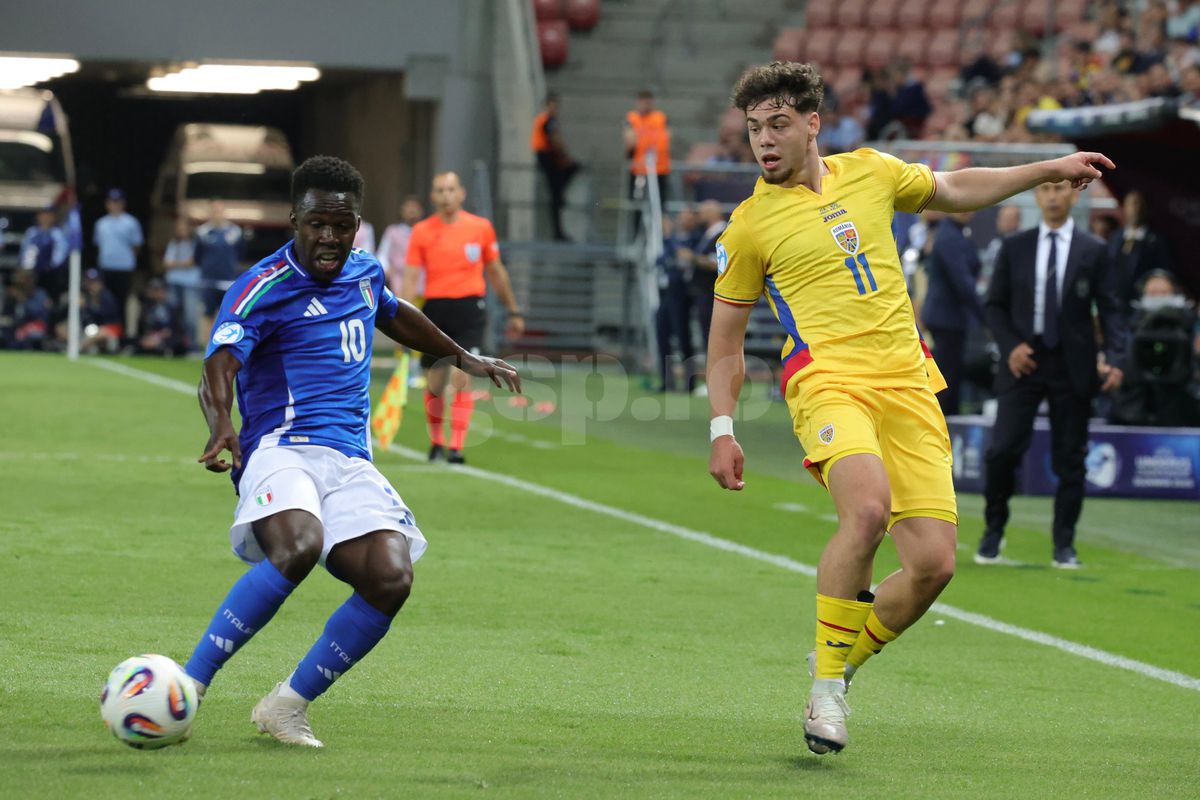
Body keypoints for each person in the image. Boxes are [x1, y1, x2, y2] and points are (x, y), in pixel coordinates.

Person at [705, 61, 1114, 756]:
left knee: (933, 564)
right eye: (753, 130)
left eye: (777, 125)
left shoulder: (871, 169)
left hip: (908, 381)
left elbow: (954, 189)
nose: (764, 142)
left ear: (812, 125)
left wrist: (1046, 169)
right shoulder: (748, 226)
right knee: (865, 511)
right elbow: (725, 341)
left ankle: (836, 667)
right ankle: (828, 694)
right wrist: (722, 428)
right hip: (828, 382)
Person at [184, 156, 520, 749]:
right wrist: (220, 425)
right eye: (318, 224)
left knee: (391, 577)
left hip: (348, 460)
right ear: (295, 220)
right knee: (299, 545)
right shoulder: (264, 285)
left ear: (357, 225)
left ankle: (285, 706)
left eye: (342, 226)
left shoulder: (365, 274)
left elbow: (396, 314)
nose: (330, 238)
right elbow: (221, 361)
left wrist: (463, 356)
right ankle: (188, 687)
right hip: (280, 449)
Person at [978, 180, 1126, 569]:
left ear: (1074, 196)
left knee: (1071, 458)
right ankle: (993, 531)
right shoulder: (1015, 247)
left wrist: (1115, 357)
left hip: (1072, 364)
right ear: (1036, 197)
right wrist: (1011, 346)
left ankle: (1065, 544)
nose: (1055, 196)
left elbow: (1111, 309)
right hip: (1022, 362)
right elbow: (993, 306)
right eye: (1046, 190)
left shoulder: (1093, 249)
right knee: (1002, 450)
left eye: (1061, 189)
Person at [403, 172, 525, 464]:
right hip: (435, 309)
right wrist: (403, 318)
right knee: (434, 382)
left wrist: (513, 310)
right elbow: (410, 277)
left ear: (462, 193)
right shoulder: (421, 231)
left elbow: (496, 271)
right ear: (433, 196)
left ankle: (456, 447)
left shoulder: (480, 228)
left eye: (451, 189)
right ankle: (436, 443)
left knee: (461, 376)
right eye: (440, 190)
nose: (446, 195)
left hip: (470, 309)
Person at [920, 212, 985, 416]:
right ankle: (942, 425)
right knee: (946, 381)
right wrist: (987, 317)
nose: (967, 210)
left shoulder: (957, 232)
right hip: (945, 318)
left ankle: (947, 423)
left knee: (951, 377)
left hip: (952, 318)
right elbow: (962, 282)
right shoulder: (948, 235)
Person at [1108, 190, 1173, 309]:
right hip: (1116, 304)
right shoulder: (1116, 238)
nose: (1134, 209)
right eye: (1130, 204)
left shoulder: (1155, 241)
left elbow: (1163, 273)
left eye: (1138, 203)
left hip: (1144, 306)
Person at [531, 93, 580, 241]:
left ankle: (560, 195)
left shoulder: (544, 119)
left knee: (556, 192)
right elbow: (555, 140)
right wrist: (565, 157)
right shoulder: (549, 120)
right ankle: (560, 196)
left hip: (546, 156)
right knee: (559, 187)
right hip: (548, 157)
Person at [93, 188, 143, 328]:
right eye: (112, 202)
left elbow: (137, 246)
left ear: (123, 203)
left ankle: (121, 335)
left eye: (117, 202)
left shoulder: (131, 222)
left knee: (122, 302)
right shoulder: (101, 223)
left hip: (124, 268)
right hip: (106, 266)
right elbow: (99, 245)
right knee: (105, 300)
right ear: (107, 204)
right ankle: (106, 331)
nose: (114, 205)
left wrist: (126, 259)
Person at [194, 201, 244, 343]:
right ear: (210, 213)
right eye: (214, 211)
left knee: (228, 315)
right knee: (207, 313)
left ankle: (224, 345)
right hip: (208, 280)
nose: (217, 214)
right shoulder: (202, 232)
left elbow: (240, 253)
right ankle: (206, 346)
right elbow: (198, 255)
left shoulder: (235, 232)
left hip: (228, 280)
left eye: (220, 211)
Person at [624, 89, 672, 233]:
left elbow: (668, 138)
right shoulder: (632, 118)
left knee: (660, 206)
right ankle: (636, 235)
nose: (646, 104)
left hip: (660, 169)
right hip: (640, 170)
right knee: (637, 206)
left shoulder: (660, 117)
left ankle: (661, 237)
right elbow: (629, 142)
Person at [163, 216, 199, 350]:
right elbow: (166, 263)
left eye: (184, 227)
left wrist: (176, 264)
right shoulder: (174, 243)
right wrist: (182, 264)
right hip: (173, 282)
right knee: (173, 315)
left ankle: (193, 345)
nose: (181, 230)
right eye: (179, 227)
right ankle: (175, 345)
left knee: (190, 317)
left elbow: (192, 262)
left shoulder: (196, 243)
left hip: (190, 283)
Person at [376, 196, 424, 296]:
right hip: (398, 284)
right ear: (402, 210)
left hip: (421, 286)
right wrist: (386, 270)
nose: (411, 211)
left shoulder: (426, 232)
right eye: (408, 207)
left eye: (415, 207)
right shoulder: (392, 232)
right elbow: (382, 256)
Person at [19, 207, 69, 301]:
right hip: (33, 272)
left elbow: (61, 253)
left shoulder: (57, 233)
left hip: (51, 273)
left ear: (53, 217)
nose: (45, 218)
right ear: (38, 217)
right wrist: (28, 267)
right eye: (43, 215)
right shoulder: (32, 232)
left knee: (50, 298)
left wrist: (51, 265)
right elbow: (25, 251)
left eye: (48, 215)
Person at [134, 277, 182, 356]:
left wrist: (160, 336)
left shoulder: (173, 307)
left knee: (177, 343)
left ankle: (162, 348)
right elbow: (145, 326)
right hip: (152, 336)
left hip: (167, 336)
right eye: (154, 291)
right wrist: (150, 337)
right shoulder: (147, 306)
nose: (157, 293)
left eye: (159, 290)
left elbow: (176, 328)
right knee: (136, 341)